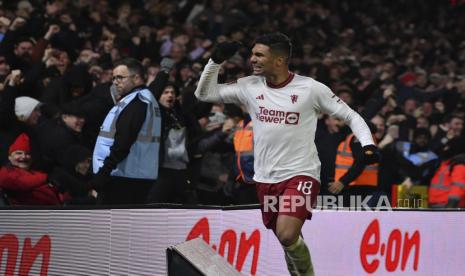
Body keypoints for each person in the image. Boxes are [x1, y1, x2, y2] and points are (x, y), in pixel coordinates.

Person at [195, 33, 379, 276]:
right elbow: (204, 94)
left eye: (259, 55)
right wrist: (215, 61)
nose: (253, 59)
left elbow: (351, 116)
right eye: (252, 54)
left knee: (287, 233)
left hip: (301, 174)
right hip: (265, 179)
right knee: (289, 240)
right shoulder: (249, 86)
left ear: (279, 61)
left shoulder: (310, 89)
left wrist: (368, 144)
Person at [91, 58, 162, 204]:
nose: (115, 82)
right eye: (113, 78)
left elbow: (123, 142)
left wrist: (103, 174)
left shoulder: (137, 102)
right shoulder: (145, 99)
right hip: (138, 175)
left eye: (120, 77)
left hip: (123, 177)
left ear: (136, 78)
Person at [0, 133, 62, 205]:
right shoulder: (5, 172)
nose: (23, 157)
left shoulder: (35, 173)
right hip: (29, 212)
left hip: (55, 209)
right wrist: (46, 178)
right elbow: (22, 183)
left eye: (27, 154)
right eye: (18, 153)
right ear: (10, 157)